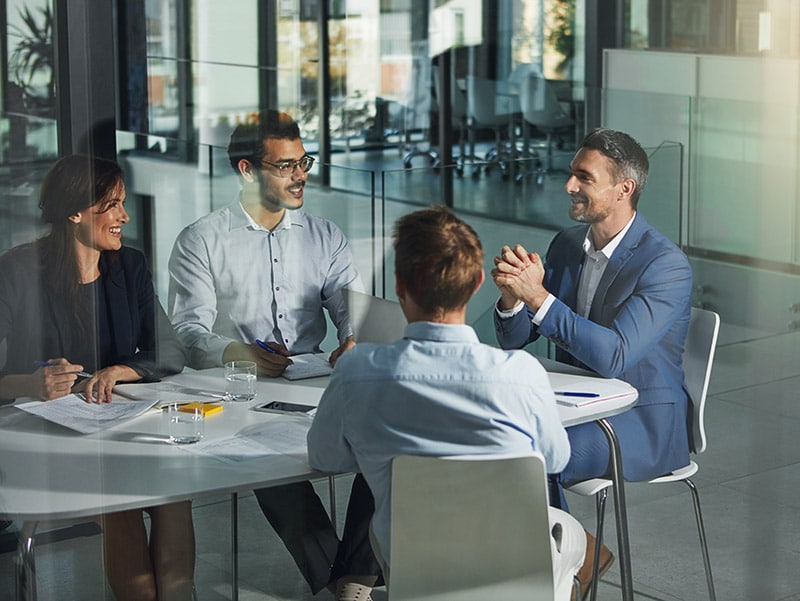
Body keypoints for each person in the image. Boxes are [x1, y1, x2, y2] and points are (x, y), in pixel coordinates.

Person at [307, 207, 586, 601]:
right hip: (514, 575)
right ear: (476, 284)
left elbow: (324, 456)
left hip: (414, 575)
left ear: (400, 285)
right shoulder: (521, 375)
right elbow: (555, 461)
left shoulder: (355, 373)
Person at [168, 109, 380, 599]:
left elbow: (354, 308)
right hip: (241, 391)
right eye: (285, 166)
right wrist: (235, 352)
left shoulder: (325, 236)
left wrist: (353, 336)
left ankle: (348, 582)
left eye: (303, 161)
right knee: (267, 463)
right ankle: (351, 584)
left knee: (388, 440)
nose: (301, 174)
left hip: (319, 380)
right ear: (247, 170)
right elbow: (188, 331)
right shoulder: (201, 239)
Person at [492, 128, 693, 597]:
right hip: (575, 407)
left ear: (624, 189)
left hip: (639, 422)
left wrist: (538, 297)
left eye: (584, 177)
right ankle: (578, 552)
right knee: (494, 441)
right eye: (571, 174)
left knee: (529, 457)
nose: (569, 186)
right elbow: (517, 340)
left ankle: (542, 578)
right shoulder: (567, 244)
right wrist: (512, 302)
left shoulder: (665, 264)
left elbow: (614, 356)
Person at [0, 155, 194, 600]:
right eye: (112, 206)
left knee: (175, 491)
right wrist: (30, 384)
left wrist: (120, 371)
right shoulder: (17, 272)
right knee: (121, 502)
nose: (124, 217)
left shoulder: (130, 265)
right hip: (49, 434)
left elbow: (170, 349)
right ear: (74, 212)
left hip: (120, 422)